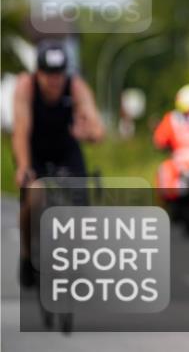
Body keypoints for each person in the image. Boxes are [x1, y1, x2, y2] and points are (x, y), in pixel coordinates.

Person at [13, 39, 105, 287]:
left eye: (58, 74)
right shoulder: (25, 86)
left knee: (80, 197)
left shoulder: (76, 87)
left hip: (66, 150)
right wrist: (24, 167)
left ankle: (74, 254)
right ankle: (26, 255)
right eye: (48, 74)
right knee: (34, 196)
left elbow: (97, 129)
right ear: (38, 72)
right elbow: (21, 130)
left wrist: (86, 132)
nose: (54, 81)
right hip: (34, 151)